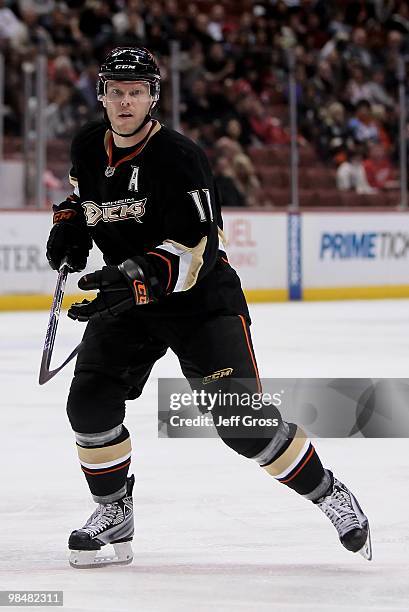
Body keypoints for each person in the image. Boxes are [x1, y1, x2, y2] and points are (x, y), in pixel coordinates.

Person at [46, 46, 372, 569]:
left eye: (136, 92)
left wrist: (126, 279)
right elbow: (79, 198)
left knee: (243, 425)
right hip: (132, 300)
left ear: (153, 97)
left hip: (199, 303)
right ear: (102, 95)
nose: (125, 101)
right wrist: (67, 230)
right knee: (87, 404)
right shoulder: (89, 144)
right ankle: (114, 511)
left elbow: (197, 251)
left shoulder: (180, 157)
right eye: (116, 91)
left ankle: (329, 492)